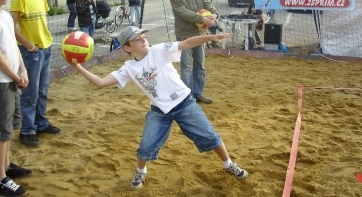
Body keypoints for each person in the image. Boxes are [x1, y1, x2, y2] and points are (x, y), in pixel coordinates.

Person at [70, 26, 249, 190]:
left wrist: (212, 36)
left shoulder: (158, 50)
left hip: (184, 102)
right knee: (146, 146)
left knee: (210, 136)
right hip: (159, 111)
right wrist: (78, 66)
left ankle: (228, 164)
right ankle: (141, 171)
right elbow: (101, 83)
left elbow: (186, 43)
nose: (143, 40)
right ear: (127, 48)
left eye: (142, 36)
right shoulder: (129, 67)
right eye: (137, 39)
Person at [10, 0, 61, 148]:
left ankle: (40, 123)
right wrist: (28, 44)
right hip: (31, 51)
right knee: (30, 93)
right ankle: (27, 131)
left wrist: (44, 42)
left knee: (42, 90)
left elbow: (42, 22)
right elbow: (11, 26)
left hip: (45, 48)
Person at [168, 0, 218, 104]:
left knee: (200, 64)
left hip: (199, 34)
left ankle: (198, 93)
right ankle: (187, 97)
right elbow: (182, 12)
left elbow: (207, 3)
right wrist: (201, 19)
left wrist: (214, 13)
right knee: (186, 67)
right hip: (184, 34)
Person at [0, 0, 32, 196]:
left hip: (12, 78)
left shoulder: (5, 16)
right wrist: (14, 76)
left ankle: (7, 165)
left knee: (9, 126)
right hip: (3, 81)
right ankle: (1, 177)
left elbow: (13, 46)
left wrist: (23, 70)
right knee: (2, 130)